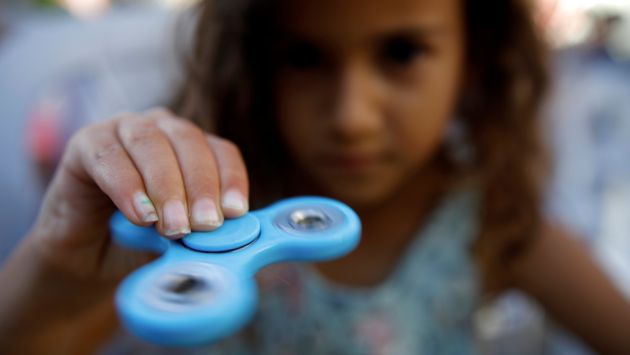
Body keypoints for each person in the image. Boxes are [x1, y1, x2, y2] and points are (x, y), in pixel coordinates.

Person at [1, 0, 629, 353]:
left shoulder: (494, 220)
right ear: (253, 64)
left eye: (401, 52)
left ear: (476, 58)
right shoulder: (204, 225)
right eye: (304, 57)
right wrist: (56, 268)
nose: (351, 117)